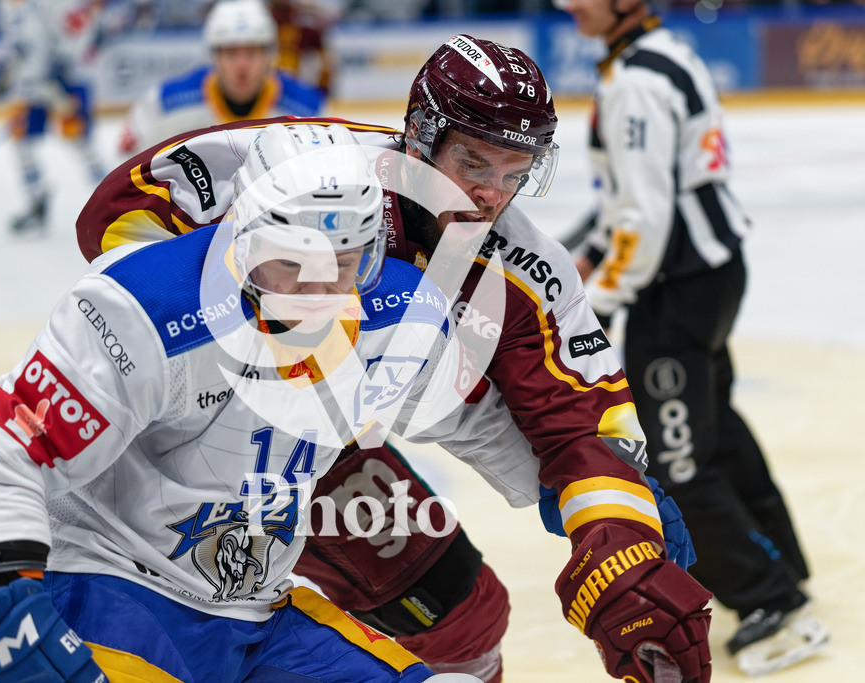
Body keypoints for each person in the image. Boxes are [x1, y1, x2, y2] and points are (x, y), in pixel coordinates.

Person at [76, 35, 713, 682]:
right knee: (187, 620)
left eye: (514, 173)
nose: (491, 195)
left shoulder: (521, 269)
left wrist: (619, 534)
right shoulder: (314, 174)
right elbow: (116, 215)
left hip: (329, 435)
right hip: (204, 418)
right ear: (420, 137)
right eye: (473, 163)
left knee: (463, 616)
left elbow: (579, 424)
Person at [0, 122, 530, 682]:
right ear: (242, 235)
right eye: (292, 263)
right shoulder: (143, 306)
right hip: (111, 589)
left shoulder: (398, 314)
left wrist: (575, 492)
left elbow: (475, 421)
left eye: (344, 263)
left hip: (259, 617)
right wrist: (15, 600)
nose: (318, 293)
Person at [555, 0, 830, 675]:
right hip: (710, 274)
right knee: (716, 426)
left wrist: (600, 302)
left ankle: (772, 601)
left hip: (673, 289)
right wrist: (581, 256)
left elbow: (643, 220)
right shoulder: (664, 52)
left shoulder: (635, 81)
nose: (568, 6)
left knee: (676, 460)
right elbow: (631, 201)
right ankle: (781, 561)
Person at [117, 0, 326, 157]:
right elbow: (125, 169)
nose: (242, 65)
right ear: (214, 56)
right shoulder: (164, 103)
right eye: (231, 53)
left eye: (252, 52)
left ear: (269, 55)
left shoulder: (309, 111)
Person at [0, 0, 107, 234]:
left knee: (81, 143)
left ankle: (111, 201)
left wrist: (63, 64)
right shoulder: (8, 8)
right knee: (22, 144)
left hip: (62, 82)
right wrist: (9, 72)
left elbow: (79, 30)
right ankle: (36, 199)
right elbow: (22, 46)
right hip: (32, 88)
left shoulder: (57, 4)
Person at [269, 0, 337, 98]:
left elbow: (325, 58)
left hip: (297, 85)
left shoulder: (303, 17)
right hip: (266, 82)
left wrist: (321, 92)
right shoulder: (260, 15)